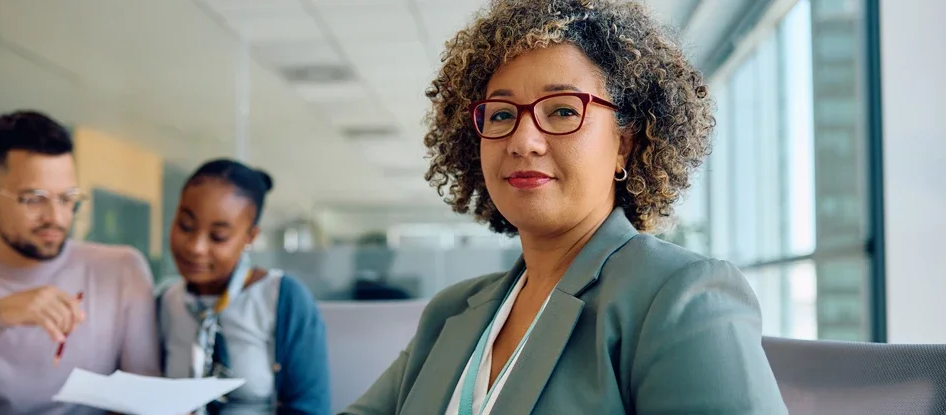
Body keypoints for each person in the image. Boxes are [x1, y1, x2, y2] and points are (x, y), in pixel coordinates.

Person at [342, 0, 787, 414]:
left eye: (561, 111)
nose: (522, 141)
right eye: (501, 115)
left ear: (624, 145)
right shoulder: (451, 310)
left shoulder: (679, 296)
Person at [0, 111, 160, 415]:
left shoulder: (122, 271)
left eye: (67, 198)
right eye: (34, 199)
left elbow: (145, 399)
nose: (57, 218)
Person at [157, 159, 330, 415]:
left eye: (218, 237)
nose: (195, 247)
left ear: (250, 237)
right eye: (186, 226)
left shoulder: (283, 298)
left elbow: (310, 409)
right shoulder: (166, 301)